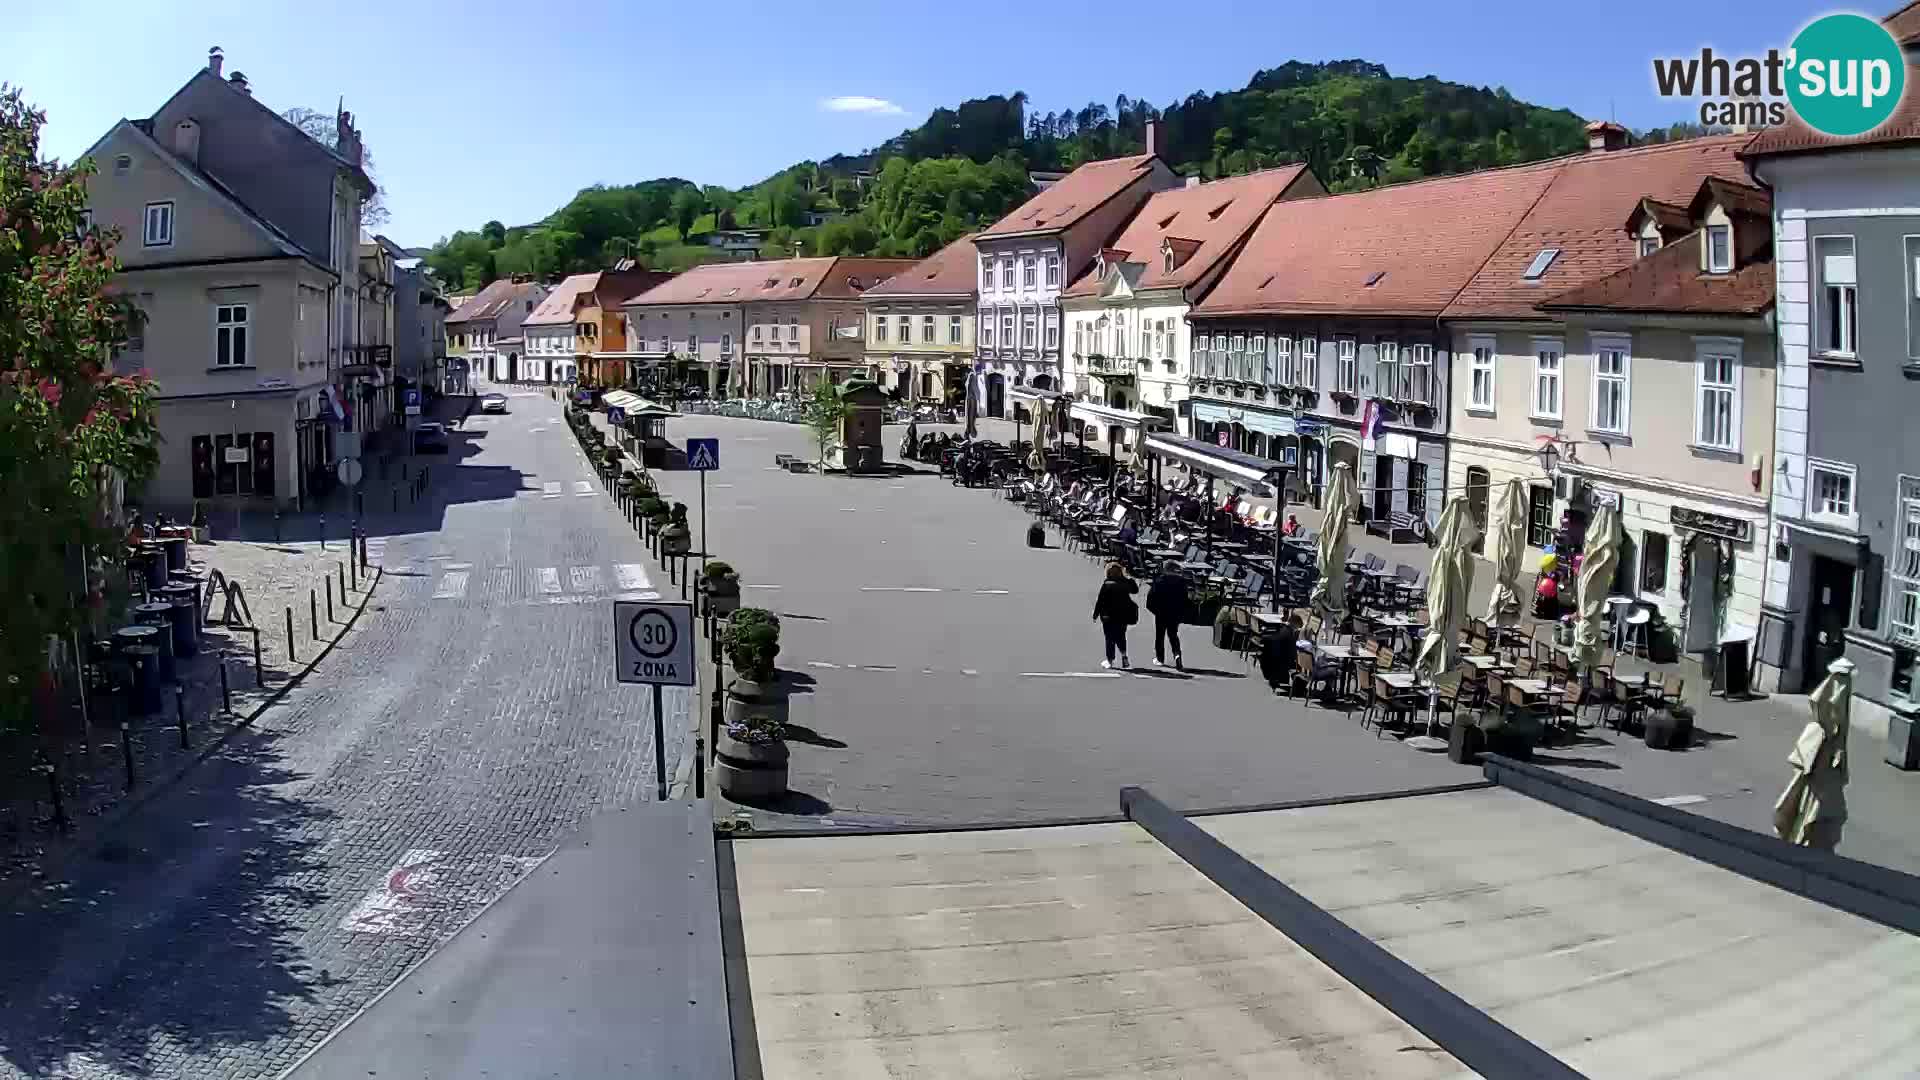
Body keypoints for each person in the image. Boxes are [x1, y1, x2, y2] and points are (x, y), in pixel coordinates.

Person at [1091, 561, 1139, 669]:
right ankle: (1124, 655)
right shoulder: (1125, 583)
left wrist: (1095, 614)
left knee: (1109, 638)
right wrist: (1129, 578)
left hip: (1108, 616)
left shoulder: (1107, 584)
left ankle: (1110, 660)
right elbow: (1135, 590)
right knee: (1121, 636)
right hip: (1123, 615)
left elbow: (1100, 601)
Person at [1144, 560, 1189, 670]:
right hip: (1175, 613)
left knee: (1160, 636)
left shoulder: (1159, 581)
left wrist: (1155, 610)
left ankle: (1160, 658)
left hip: (1161, 612)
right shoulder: (1181, 582)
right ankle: (1177, 655)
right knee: (1173, 635)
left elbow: (1150, 599)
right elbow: (1185, 599)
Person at [1259, 613, 1302, 693]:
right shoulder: (1289, 634)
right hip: (1280, 663)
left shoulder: (1282, 629)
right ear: (1294, 624)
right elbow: (1292, 654)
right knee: (1300, 664)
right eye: (1297, 627)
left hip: (1271, 661)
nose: (1297, 629)